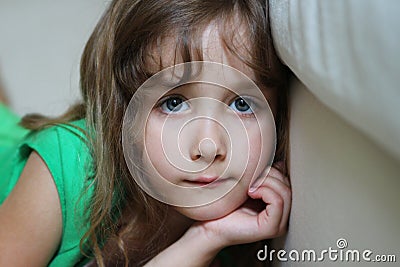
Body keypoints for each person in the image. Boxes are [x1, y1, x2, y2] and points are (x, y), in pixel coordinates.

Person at [0, 0, 291, 266]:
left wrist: (203, 240)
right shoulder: (69, 166)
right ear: (123, 111)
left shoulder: (243, 228)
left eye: (242, 105)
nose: (209, 146)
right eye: (173, 103)